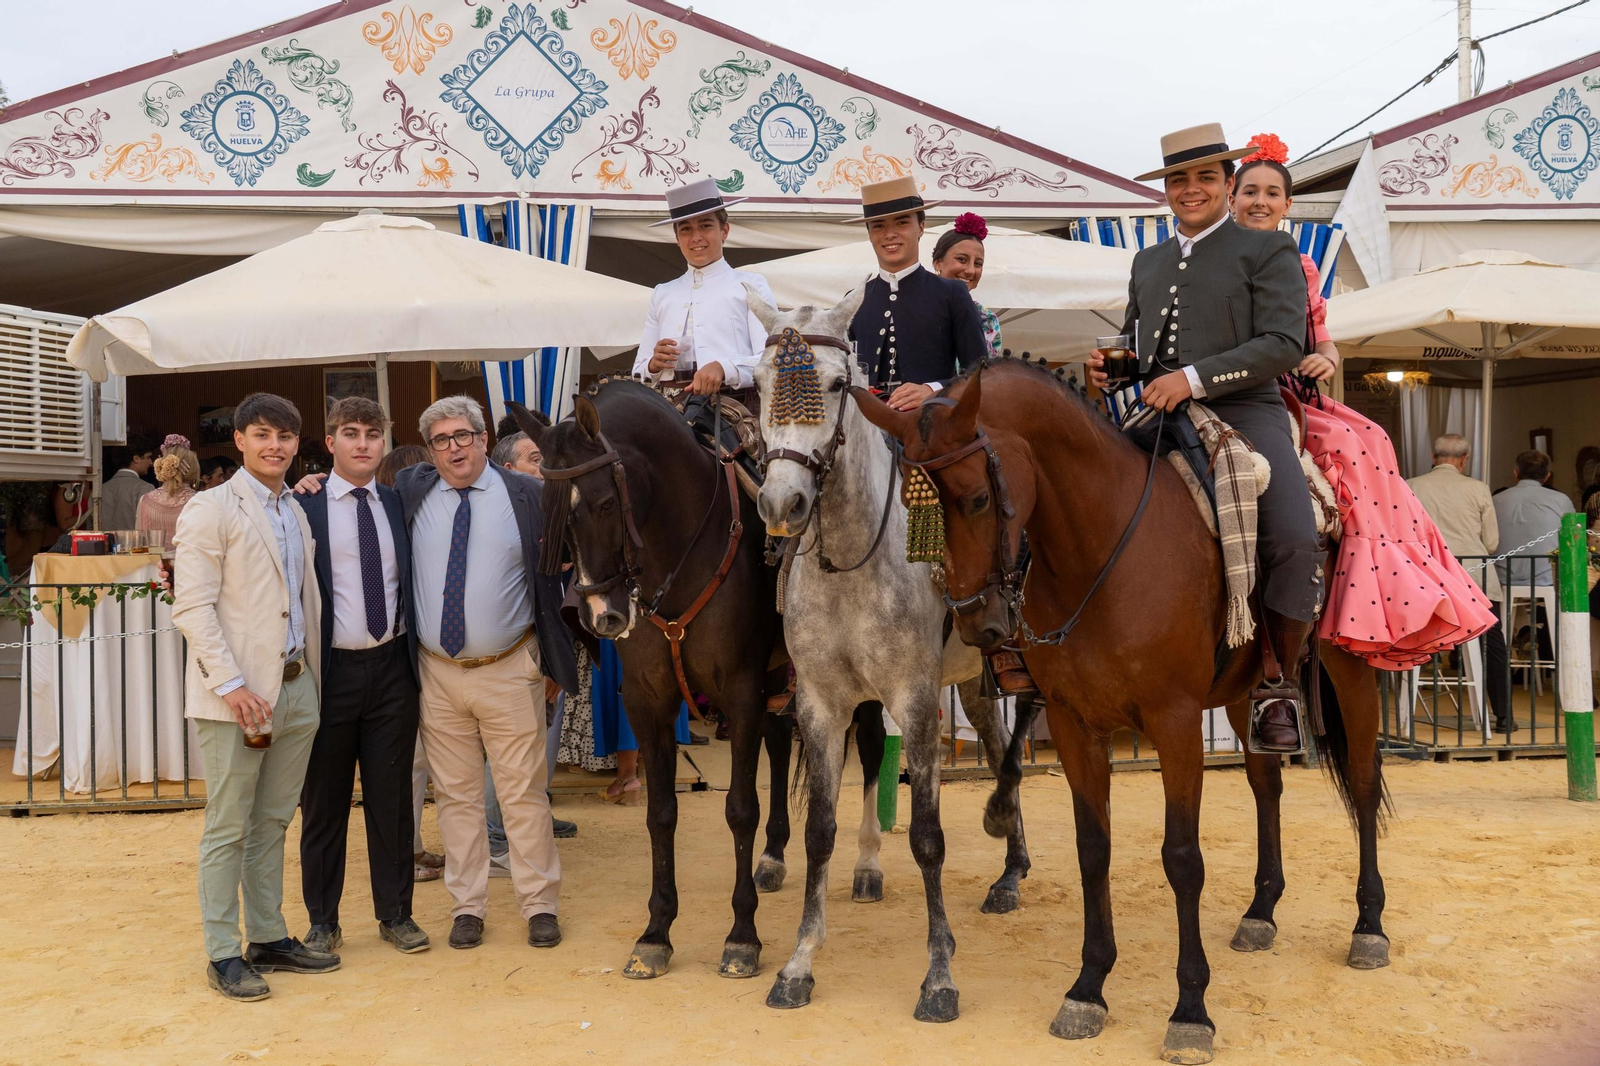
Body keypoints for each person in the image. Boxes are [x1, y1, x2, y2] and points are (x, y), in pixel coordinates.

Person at [1225, 143, 1494, 677]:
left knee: (1370, 436)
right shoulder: (1214, 257)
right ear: (1231, 197)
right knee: (1350, 442)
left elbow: (1324, 342)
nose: (1260, 201)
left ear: (1288, 203)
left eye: (1271, 193)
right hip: (1239, 391)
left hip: (1289, 389)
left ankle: (1379, 585)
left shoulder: (1301, 265)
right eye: (1250, 191)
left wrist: (1325, 359)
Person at [1092, 123, 1320, 752]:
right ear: (1166, 190)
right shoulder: (1149, 260)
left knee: (1294, 536)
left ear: (1226, 184)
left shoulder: (1267, 250)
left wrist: (1193, 379)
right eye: (1177, 180)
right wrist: (1113, 369)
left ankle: (1278, 680)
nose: (1189, 189)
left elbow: (1282, 344)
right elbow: (1140, 347)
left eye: (1203, 178)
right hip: (1157, 415)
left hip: (1247, 411)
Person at [395, 395, 580, 951]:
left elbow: (570, 566)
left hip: (508, 669)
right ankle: (467, 907)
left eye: (463, 436)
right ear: (430, 451)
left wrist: (553, 655)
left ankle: (539, 904)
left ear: (482, 439)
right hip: (437, 674)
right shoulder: (410, 492)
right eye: (441, 440)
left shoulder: (529, 494)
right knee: (455, 798)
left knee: (523, 793)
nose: (454, 447)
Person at [846, 176, 1032, 700]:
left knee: (982, 514)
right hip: (869, 438)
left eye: (900, 223)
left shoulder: (951, 294)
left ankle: (1000, 644)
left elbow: (981, 371)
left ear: (920, 227)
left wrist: (929, 387)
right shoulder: (855, 299)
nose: (889, 234)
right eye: (878, 225)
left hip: (934, 442)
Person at [171, 393, 330, 1002]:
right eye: (262, 434)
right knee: (228, 826)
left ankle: (267, 935)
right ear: (238, 439)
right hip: (237, 700)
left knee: (273, 821)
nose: (275, 446)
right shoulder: (210, 508)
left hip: (296, 688)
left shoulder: (293, 507)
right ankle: (221, 951)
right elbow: (192, 606)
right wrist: (232, 686)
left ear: (297, 444)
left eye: (285, 437)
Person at [295, 398, 430, 957]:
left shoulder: (400, 503)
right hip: (330, 673)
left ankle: (396, 914)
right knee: (324, 804)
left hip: (392, 669)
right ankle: (323, 921)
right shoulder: (301, 506)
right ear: (330, 443)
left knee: (392, 801)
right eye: (349, 434)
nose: (362, 444)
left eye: (373, 434)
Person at [1409, 434, 1515, 732]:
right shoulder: (1478, 489)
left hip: (1425, 578)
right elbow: (1491, 543)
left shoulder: (1411, 486)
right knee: (1492, 641)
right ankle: (1504, 715)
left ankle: (1405, 713)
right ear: (1465, 460)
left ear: (1434, 457)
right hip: (1473, 575)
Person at [634, 178, 773, 402]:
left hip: (733, 403)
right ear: (677, 239)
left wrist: (724, 368)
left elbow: (770, 359)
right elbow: (638, 372)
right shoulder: (662, 292)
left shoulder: (750, 285)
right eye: (686, 229)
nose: (696, 237)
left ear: (724, 230)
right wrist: (653, 364)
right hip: (668, 407)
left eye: (705, 225)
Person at [374, 443, 445, 881]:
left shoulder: (394, 522)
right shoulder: (409, 524)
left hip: (409, 654)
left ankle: (411, 848)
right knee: (411, 763)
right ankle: (405, 852)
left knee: (412, 763)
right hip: (408, 656)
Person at [1494, 449, 1574, 589]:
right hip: (1547, 576)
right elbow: (1574, 537)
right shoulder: (1560, 500)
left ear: (1516, 473)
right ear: (1547, 476)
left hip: (1500, 576)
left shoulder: (1495, 500)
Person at [931, 212, 1002, 357]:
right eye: (962, 260)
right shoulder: (913, 307)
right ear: (937, 263)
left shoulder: (986, 319)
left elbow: (984, 375)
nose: (970, 271)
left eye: (978, 264)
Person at [137, 440, 200, 540]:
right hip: (186, 555)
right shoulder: (200, 501)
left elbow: (140, 539)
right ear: (193, 470)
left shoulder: (145, 500)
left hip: (153, 556)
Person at [100, 436, 156, 530]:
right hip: (134, 544)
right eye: (148, 457)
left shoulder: (101, 489)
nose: (151, 462)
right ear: (136, 458)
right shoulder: (145, 488)